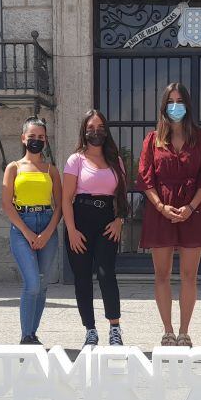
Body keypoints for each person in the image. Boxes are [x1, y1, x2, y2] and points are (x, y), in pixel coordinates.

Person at [137, 82, 201, 347]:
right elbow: (145, 177)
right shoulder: (152, 140)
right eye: (170, 101)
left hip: (193, 211)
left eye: (179, 100)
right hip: (160, 210)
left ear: (188, 105)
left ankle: (184, 331)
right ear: (163, 106)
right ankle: (168, 331)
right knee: (161, 275)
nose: (175, 106)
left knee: (189, 275)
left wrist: (191, 207)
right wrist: (161, 206)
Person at [62, 109, 128, 347]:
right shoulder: (75, 160)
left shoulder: (115, 160)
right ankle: (90, 329)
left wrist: (119, 220)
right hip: (80, 221)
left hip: (107, 222)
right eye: (91, 128)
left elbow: (122, 195)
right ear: (84, 131)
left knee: (106, 274)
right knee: (82, 278)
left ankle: (115, 327)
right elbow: (66, 199)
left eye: (100, 128)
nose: (95, 132)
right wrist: (71, 230)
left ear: (106, 131)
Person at [2, 117, 61, 345]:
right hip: (21, 226)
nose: (36, 141)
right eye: (32, 136)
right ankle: (26, 335)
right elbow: (7, 204)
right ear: (23, 138)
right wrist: (27, 232)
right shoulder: (13, 168)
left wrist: (47, 232)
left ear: (45, 141)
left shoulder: (51, 170)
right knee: (32, 283)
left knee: (43, 284)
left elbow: (58, 205)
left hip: (47, 223)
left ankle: (32, 333)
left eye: (41, 137)